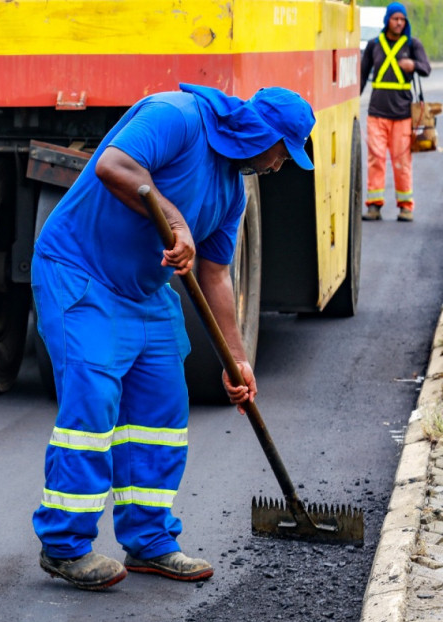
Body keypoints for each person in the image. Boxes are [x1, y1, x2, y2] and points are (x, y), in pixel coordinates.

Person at [32, 84, 315, 591]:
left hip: (144, 292)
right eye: (282, 153)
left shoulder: (231, 193)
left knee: (160, 412)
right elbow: (113, 166)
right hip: (79, 271)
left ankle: (149, 540)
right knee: (93, 400)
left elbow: (215, 276)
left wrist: (237, 359)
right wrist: (177, 221)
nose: (278, 166)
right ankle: (65, 545)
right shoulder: (176, 116)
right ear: (264, 134)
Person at [360, 1, 431, 222]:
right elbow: (362, 75)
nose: (399, 23)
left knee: (402, 162)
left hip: (402, 114)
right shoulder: (374, 45)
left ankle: (405, 207)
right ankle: (374, 206)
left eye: (402, 19)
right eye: (395, 18)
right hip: (377, 113)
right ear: (387, 20)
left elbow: (426, 68)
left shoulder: (412, 44)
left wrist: (413, 65)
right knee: (376, 159)